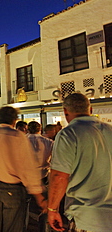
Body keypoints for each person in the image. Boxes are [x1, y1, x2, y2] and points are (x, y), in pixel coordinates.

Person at [0, 106, 47, 232]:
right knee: (13, 226)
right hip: (12, 188)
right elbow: (28, 168)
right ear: (14, 120)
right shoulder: (18, 136)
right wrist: (39, 196)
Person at [48, 93, 112, 232]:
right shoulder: (110, 130)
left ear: (65, 112)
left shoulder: (68, 134)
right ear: (91, 110)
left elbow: (59, 176)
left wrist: (53, 209)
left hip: (87, 216)